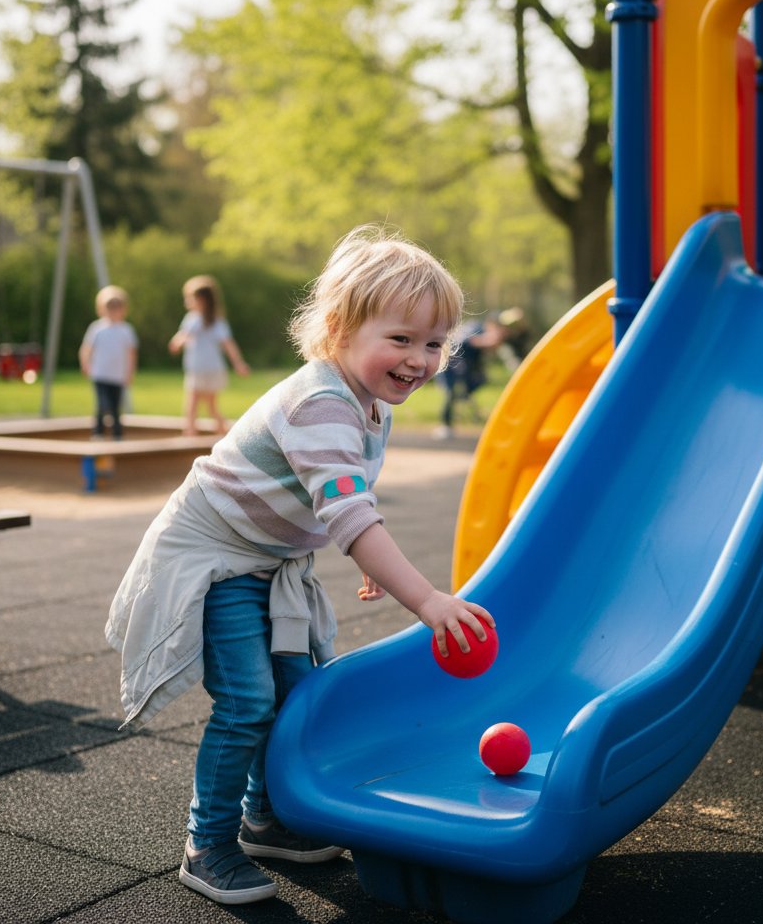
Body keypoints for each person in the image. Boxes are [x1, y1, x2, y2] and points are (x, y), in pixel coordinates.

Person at [105, 224, 496, 907]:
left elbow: (347, 500)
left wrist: (371, 554)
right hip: (218, 557)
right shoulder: (319, 403)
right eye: (400, 339)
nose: (419, 359)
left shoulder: (369, 404)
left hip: (270, 555)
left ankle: (267, 820)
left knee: (296, 691)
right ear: (341, 330)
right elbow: (349, 517)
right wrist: (425, 598)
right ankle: (209, 844)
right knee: (248, 702)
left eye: (434, 343)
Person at [168, 275, 250, 435]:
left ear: (202, 300)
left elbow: (228, 344)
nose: (187, 302)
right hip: (197, 367)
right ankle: (194, 432)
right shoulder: (192, 319)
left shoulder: (215, 322)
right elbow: (182, 336)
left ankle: (209, 433)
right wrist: (176, 343)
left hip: (209, 368)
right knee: (198, 404)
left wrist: (239, 363)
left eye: (190, 298)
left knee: (204, 404)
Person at [433, 307, 527, 439]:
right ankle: (446, 425)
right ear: (490, 325)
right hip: (449, 363)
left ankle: (464, 395)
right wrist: (485, 342)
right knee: (450, 392)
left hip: (466, 367)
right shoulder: (476, 327)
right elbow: (464, 341)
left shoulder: (499, 337)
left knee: (480, 380)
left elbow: (509, 355)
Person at [78, 285, 138, 439]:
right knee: (103, 404)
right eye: (110, 307)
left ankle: (117, 433)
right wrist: (85, 364)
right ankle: (98, 432)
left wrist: (130, 372)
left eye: (117, 307)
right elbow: (86, 349)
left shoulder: (126, 330)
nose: (113, 311)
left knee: (116, 406)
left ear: (123, 309)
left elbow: (132, 353)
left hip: (118, 375)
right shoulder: (97, 328)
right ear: (101, 309)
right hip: (100, 374)